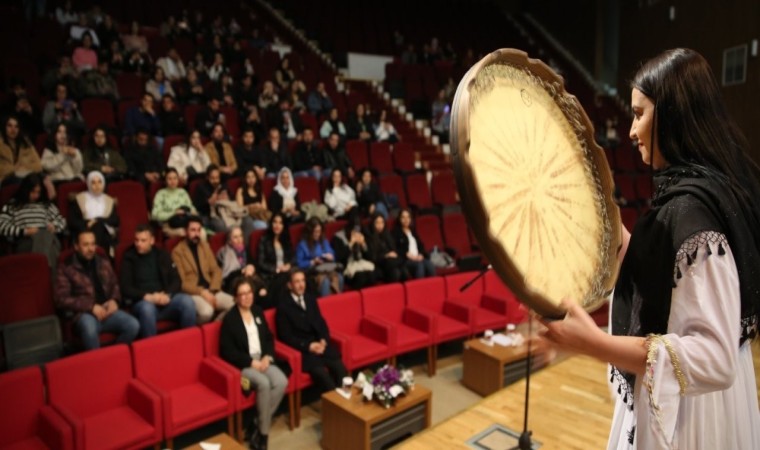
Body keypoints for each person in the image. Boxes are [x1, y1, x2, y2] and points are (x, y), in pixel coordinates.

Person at [538, 48, 760, 450]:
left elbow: (714, 357)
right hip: (689, 396)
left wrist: (592, 343)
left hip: (692, 412)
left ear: (672, 115)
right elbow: (665, 276)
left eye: (640, 113)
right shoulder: (700, 192)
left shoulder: (693, 212)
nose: (631, 130)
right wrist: (603, 225)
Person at [220, 277, 289, 450]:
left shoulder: (258, 311)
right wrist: (251, 362)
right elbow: (228, 352)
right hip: (244, 365)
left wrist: (267, 357)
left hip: (262, 359)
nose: (246, 297)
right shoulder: (230, 319)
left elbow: (268, 337)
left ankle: (256, 423)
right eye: (241, 294)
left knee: (282, 381)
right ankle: (263, 436)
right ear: (235, 297)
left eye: (249, 292)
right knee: (264, 384)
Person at [55, 230, 139, 350]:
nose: (90, 249)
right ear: (76, 246)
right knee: (90, 328)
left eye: (93, 244)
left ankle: (113, 356)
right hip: (84, 314)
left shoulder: (103, 262)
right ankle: (98, 364)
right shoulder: (66, 267)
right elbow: (61, 299)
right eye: (86, 245)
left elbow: (115, 284)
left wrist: (114, 300)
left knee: (133, 325)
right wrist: (91, 307)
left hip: (106, 310)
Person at [275, 269, 347, 393]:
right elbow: (285, 337)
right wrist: (308, 346)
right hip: (304, 352)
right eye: (297, 282)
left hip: (320, 345)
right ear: (289, 285)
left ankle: (347, 402)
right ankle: (336, 406)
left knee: (341, 369)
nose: (301, 285)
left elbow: (321, 323)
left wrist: (324, 340)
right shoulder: (283, 307)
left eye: (302, 281)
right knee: (325, 378)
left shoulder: (310, 299)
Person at [120, 224, 196, 337]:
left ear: (152, 240)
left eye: (143, 240)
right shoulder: (129, 257)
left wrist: (167, 295)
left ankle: (188, 341)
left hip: (164, 298)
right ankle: (150, 349)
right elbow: (125, 287)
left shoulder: (162, 254)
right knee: (147, 310)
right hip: (143, 301)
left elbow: (176, 280)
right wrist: (147, 296)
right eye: (136, 240)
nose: (138, 244)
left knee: (187, 301)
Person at [172, 216, 235, 323]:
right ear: (185, 231)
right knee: (207, 312)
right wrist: (202, 292)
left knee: (235, 305)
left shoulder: (204, 246)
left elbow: (216, 270)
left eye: (198, 230)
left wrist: (212, 289)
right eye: (193, 230)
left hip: (212, 289)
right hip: (193, 293)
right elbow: (182, 283)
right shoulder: (177, 252)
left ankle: (215, 327)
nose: (196, 234)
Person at [0, 174, 65, 268]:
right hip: (26, 240)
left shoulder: (46, 205)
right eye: (33, 192)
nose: (36, 195)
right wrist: (24, 231)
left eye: (38, 192)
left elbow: (61, 221)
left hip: (48, 236)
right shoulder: (13, 205)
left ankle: (39, 268)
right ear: (25, 190)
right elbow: (1, 225)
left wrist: (55, 227)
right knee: (51, 250)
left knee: (45, 235)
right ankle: (47, 270)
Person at [69, 171, 119, 254]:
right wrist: (87, 223)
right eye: (93, 182)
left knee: (100, 227)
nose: (97, 186)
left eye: (100, 182)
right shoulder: (79, 199)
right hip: (84, 230)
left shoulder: (109, 200)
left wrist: (97, 220)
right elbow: (72, 221)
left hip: (105, 232)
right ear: (88, 184)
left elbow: (115, 220)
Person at [217, 226, 268, 301]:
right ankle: (260, 289)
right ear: (229, 240)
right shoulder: (224, 252)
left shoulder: (245, 250)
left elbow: (254, 265)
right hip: (232, 282)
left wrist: (251, 267)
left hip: (249, 279)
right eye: (235, 237)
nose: (239, 240)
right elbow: (226, 277)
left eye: (241, 236)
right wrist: (242, 271)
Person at [296, 217, 343, 297]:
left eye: (319, 231)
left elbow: (332, 254)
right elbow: (299, 264)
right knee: (325, 282)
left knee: (339, 277)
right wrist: (312, 262)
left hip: (326, 268)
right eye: (315, 232)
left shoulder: (323, 241)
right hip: (313, 272)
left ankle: (338, 302)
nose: (317, 234)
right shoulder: (302, 245)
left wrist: (330, 257)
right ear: (310, 232)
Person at [257, 213, 296, 307]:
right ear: (271, 224)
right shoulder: (264, 240)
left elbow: (293, 258)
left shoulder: (286, 240)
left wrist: (289, 265)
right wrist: (276, 269)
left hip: (286, 272)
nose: (277, 226)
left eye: (280, 223)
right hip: (271, 275)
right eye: (275, 222)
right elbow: (261, 263)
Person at [331, 215, 376, 289]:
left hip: (361, 264)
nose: (356, 232)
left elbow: (371, 257)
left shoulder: (362, 234)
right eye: (354, 230)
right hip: (347, 267)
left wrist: (363, 244)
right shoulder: (338, 237)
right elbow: (340, 257)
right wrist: (351, 243)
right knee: (361, 277)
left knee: (372, 275)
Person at [0, 115, 45, 187]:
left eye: (16, 127)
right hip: (5, 178)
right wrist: (15, 169)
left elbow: (38, 165)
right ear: (4, 127)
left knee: (43, 177)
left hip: (25, 174)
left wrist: (25, 168)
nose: (13, 129)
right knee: (23, 182)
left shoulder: (25, 142)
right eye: (9, 126)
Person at [151, 168, 197, 237]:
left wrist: (193, 212)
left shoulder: (183, 192)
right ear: (165, 180)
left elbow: (190, 206)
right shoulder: (160, 194)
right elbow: (155, 215)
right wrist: (174, 213)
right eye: (169, 179)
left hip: (186, 221)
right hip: (169, 224)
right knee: (185, 233)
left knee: (201, 233)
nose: (173, 181)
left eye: (175, 178)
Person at [392, 208, 435, 279]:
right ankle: (419, 288)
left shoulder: (413, 231)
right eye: (403, 217)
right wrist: (406, 254)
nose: (406, 220)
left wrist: (421, 254)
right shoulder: (395, 232)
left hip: (417, 257)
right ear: (399, 219)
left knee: (429, 264)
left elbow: (420, 245)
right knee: (419, 265)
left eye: (408, 217)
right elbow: (395, 248)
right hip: (406, 259)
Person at [367, 212, 404, 283]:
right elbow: (373, 257)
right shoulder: (370, 237)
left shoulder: (387, 234)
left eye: (382, 223)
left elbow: (393, 249)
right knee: (395, 270)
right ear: (373, 224)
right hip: (380, 263)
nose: (380, 225)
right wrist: (386, 255)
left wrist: (393, 254)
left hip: (391, 263)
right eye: (377, 223)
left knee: (401, 270)